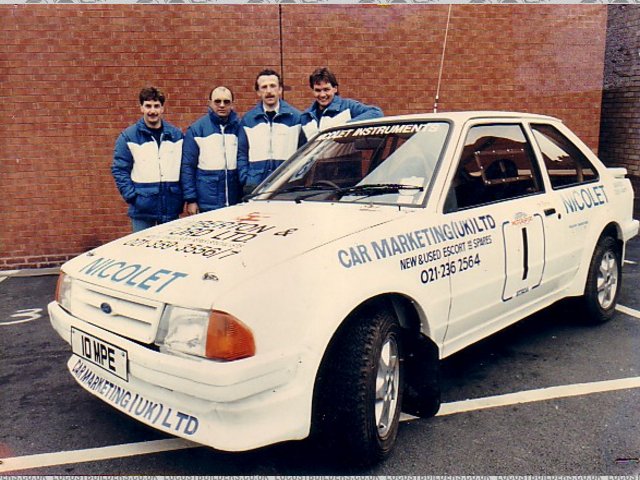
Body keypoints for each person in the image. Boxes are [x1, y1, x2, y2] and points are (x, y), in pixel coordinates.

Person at [112, 86, 184, 232]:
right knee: (141, 254)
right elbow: (119, 170)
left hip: (170, 208)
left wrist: (181, 196)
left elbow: (185, 168)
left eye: (156, 106)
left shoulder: (176, 136)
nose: (152, 111)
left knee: (169, 253)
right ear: (141, 108)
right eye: (148, 106)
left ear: (162, 108)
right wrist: (133, 197)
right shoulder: (128, 137)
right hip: (142, 210)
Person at [237, 69, 302, 192]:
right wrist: (246, 178)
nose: (269, 91)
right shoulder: (248, 120)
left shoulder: (296, 118)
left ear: (280, 89)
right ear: (258, 92)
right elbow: (242, 154)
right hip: (255, 186)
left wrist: (297, 178)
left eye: (273, 86)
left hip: (286, 186)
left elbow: (304, 154)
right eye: (264, 87)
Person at [181, 86, 242, 214]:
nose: (221, 105)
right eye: (217, 101)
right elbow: (187, 167)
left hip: (235, 202)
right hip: (206, 204)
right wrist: (191, 199)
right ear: (209, 103)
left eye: (226, 102)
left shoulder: (239, 128)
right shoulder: (197, 129)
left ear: (232, 104)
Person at [299, 67, 384, 144]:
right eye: (318, 90)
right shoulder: (306, 116)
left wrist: (345, 128)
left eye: (326, 89)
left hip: (346, 160)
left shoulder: (347, 107)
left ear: (335, 88)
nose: (322, 95)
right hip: (314, 161)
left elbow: (376, 113)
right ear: (312, 91)